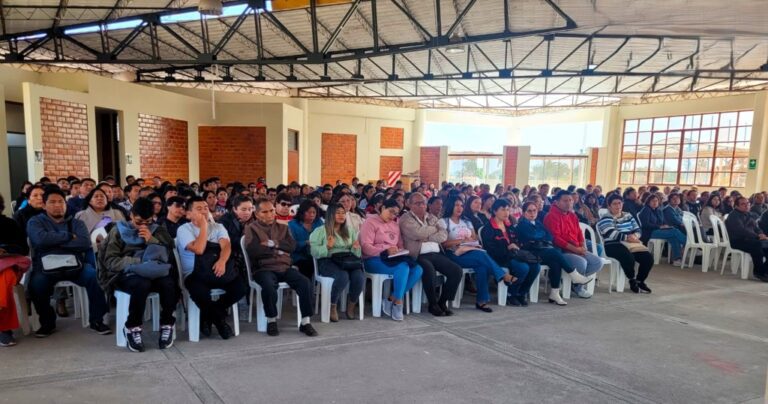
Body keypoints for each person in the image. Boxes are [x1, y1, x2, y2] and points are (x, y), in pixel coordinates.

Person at [26, 188, 111, 337]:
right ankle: (47, 322)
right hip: (46, 267)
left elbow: (85, 243)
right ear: (44, 205)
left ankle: (97, 320)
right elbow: (39, 240)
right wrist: (68, 237)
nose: (57, 205)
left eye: (61, 202)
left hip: (75, 265)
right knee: (36, 285)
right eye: (52, 202)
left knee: (94, 277)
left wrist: (52, 242)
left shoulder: (76, 223)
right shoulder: (36, 221)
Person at [100, 198, 178, 352]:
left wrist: (152, 240)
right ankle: (132, 327)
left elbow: (169, 251)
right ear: (131, 215)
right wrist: (137, 262)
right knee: (141, 284)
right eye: (139, 221)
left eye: (148, 222)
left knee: (168, 283)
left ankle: (167, 323)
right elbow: (110, 261)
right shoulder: (118, 231)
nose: (143, 225)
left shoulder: (157, 229)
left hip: (153, 271)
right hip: (126, 273)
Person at [243, 198, 318, 336]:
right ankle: (271, 320)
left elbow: (292, 246)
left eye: (271, 210)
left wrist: (273, 244)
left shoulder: (283, 227)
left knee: (304, 283)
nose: (270, 214)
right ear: (257, 214)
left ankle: (305, 322)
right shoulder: (251, 229)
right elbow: (254, 251)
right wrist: (279, 249)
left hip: (284, 266)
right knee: (269, 286)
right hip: (263, 268)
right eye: (265, 212)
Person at [175, 196, 247, 339]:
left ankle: (207, 316)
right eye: (199, 209)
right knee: (200, 293)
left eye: (206, 208)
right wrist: (203, 227)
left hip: (218, 268)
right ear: (188, 214)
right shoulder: (184, 229)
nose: (204, 212)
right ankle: (220, 322)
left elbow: (226, 246)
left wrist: (221, 261)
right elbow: (200, 249)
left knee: (240, 288)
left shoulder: (219, 227)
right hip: (194, 273)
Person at [439, 196, 515, 312]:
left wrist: (470, 241)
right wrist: (461, 241)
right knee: (482, 257)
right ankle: (502, 275)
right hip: (453, 254)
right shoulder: (444, 222)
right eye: (456, 205)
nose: (460, 208)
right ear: (450, 206)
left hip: (469, 251)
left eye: (462, 205)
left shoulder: (467, 221)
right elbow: (443, 244)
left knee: (482, 265)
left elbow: (475, 238)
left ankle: (481, 301)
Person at [516, 201, 591, 306]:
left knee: (555, 262)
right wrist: (540, 235)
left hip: (541, 250)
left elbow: (549, 236)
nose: (532, 213)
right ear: (524, 213)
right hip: (530, 253)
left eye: (534, 210)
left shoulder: (537, 223)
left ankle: (554, 293)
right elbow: (534, 236)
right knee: (554, 252)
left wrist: (539, 236)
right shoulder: (522, 224)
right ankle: (573, 274)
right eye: (529, 211)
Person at [399, 193, 462, 317]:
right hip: (418, 255)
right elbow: (417, 233)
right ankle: (432, 304)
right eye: (418, 203)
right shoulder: (405, 218)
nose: (422, 206)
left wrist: (427, 235)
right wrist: (433, 230)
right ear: (410, 204)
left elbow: (443, 234)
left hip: (435, 253)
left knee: (456, 271)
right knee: (429, 270)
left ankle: (442, 302)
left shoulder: (431, 217)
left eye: (423, 202)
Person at [360, 199, 423, 320]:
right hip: (373, 260)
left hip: (392, 259)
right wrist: (385, 250)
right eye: (391, 211)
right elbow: (365, 247)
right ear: (382, 208)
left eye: (395, 214)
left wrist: (399, 251)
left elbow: (400, 245)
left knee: (418, 269)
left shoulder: (394, 225)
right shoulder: (370, 222)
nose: (393, 215)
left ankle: (391, 299)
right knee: (403, 267)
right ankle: (398, 303)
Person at [480, 199, 541, 307]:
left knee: (536, 266)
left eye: (508, 209)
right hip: (499, 258)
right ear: (494, 211)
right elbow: (491, 250)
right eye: (503, 210)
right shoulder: (488, 229)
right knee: (523, 268)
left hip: (514, 255)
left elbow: (517, 240)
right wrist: (508, 248)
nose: (506, 212)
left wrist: (516, 245)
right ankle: (511, 294)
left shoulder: (509, 226)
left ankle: (521, 293)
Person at [543, 191, 603, 298]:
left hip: (576, 247)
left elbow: (579, 232)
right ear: (557, 202)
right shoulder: (551, 216)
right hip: (561, 251)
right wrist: (576, 250)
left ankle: (573, 283)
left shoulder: (572, 215)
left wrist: (582, 245)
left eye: (570, 200)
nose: (569, 203)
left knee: (597, 262)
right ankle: (578, 288)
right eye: (565, 201)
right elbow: (556, 239)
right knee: (581, 263)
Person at [310, 203, 364, 322]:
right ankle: (332, 305)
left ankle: (351, 305)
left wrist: (356, 247)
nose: (341, 215)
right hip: (327, 260)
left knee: (359, 276)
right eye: (337, 213)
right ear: (330, 215)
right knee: (342, 276)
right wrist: (327, 247)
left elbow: (357, 253)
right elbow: (313, 251)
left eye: (343, 213)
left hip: (346, 260)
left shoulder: (349, 230)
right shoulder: (320, 231)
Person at [598, 194, 655, 293]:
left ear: (622, 204)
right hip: (612, 245)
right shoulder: (606, 218)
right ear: (609, 206)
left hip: (631, 243)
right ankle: (632, 280)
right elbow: (610, 233)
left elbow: (637, 229)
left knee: (648, 258)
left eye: (619, 203)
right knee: (629, 258)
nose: (617, 206)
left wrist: (635, 236)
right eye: (614, 204)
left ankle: (640, 281)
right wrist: (627, 238)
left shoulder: (628, 215)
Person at [0, 193, 32, 346]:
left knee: (4, 279)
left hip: (8, 265)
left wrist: (4, 250)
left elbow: (23, 248)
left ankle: (4, 329)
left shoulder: (9, 224)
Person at [725, 197, 768, 282]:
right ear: (736, 206)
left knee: (765, 246)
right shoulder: (734, 215)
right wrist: (757, 236)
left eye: (748, 203)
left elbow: (756, 227)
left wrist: (761, 233)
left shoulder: (748, 214)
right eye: (743, 204)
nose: (746, 206)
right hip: (738, 240)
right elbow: (741, 231)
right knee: (757, 245)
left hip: (750, 239)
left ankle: (765, 271)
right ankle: (759, 272)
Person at [638, 194, 686, 266]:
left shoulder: (658, 210)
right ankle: (688, 243)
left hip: (658, 230)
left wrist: (666, 226)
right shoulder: (646, 210)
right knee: (675, 232)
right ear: (648, 202)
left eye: (656, 201)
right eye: (652, 201)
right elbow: (645, 225)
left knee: (673, 236)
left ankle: (677, 259)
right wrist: (659, 227)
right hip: (649, 232)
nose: (655, 202)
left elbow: (662, 222)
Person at [288, 201, 323, 280]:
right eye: (309, 212)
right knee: (308, 265)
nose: (312, 215)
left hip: (317, 255)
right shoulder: (292, 225)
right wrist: (305, 243)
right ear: (302, 212)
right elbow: (291, 245)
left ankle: (322, 289)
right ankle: (307, 289)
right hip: (298, 256)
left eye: (314, 212)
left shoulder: (319, 223)